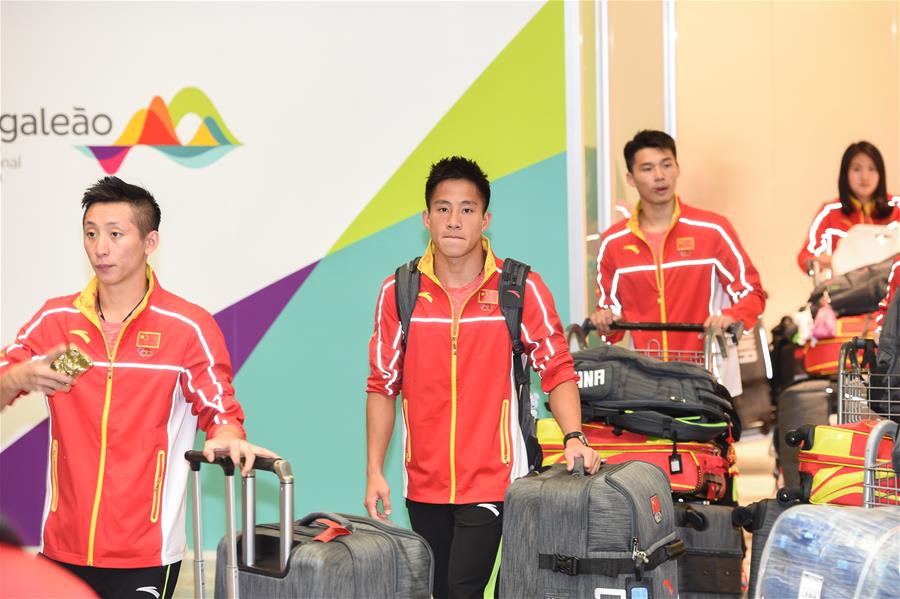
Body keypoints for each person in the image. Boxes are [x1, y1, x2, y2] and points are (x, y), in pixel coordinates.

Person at [0, 177, 276, 599]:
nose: (100, 248)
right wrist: (19, 378)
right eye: (90, 234)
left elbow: (219, 407)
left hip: (146, 551)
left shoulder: (188, 326)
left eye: (115, 234)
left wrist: (226, 436)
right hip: (62, 546)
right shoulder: (55, 319)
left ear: (150, 242)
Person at [364, 156, 600, 599]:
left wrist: (575, 436)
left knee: (462, 588)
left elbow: (558, 368)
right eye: (443, 208)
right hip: (424, 481)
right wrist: (375, 471)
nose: (454, 220)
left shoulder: (519, 288)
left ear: (485, 218)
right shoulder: (400, 291)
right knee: (438, 589)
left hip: (496, 478)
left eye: (467, 209)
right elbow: (382, 384)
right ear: (426, 218)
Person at [591, 129, 766, 355]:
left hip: (710, 371)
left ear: (677, 168)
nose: (659, 175)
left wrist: (732, 316)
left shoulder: (713, 229)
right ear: (630, 179)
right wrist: (605, 320)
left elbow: (752, 294)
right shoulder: (613, 242)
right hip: (645, 376)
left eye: (666, 165)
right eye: (647, 168)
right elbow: (611, 326)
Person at [796, 141, 899, 276]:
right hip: (846, 290)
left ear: (881, 173)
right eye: (857, 169)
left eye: (872, 169)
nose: (865, 176)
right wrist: (823, 261)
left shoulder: (896, 207)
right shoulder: (830, 212)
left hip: (890, 289)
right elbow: (806, 257)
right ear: (846, 173)